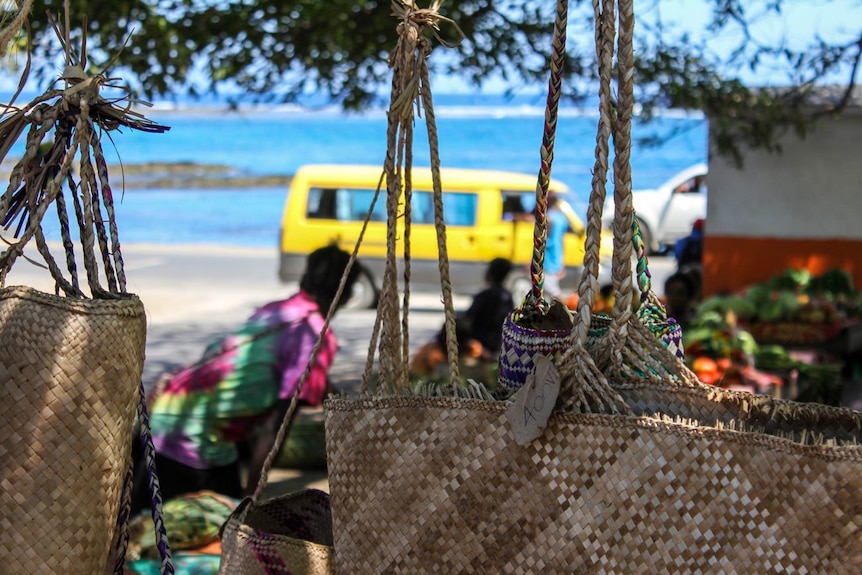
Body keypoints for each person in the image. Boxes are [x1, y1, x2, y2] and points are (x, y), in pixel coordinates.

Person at [132, 244, 360, 513]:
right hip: (194, 441)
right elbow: (277, 428)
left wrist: (345, 406)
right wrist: (252, 496)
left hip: (162, 415)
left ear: (304, 279)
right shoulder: (315, 337)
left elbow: (306, 381)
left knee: (138, 527)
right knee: (222, 530)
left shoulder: (279, 311)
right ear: (345, 295)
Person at [459, 257, 515, 359]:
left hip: (479, 345)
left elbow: (468, 318)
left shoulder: (484, 296)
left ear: (490, 272)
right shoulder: (507, 297)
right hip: (498, 345)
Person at [543, 192, 568, 301]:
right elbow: (562, 239)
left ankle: (566, 304)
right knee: (549, 293)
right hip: (557, 256)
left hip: (548, 258)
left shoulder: (549, 218)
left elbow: (544, 239)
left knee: (551, 290)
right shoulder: (561, 218)